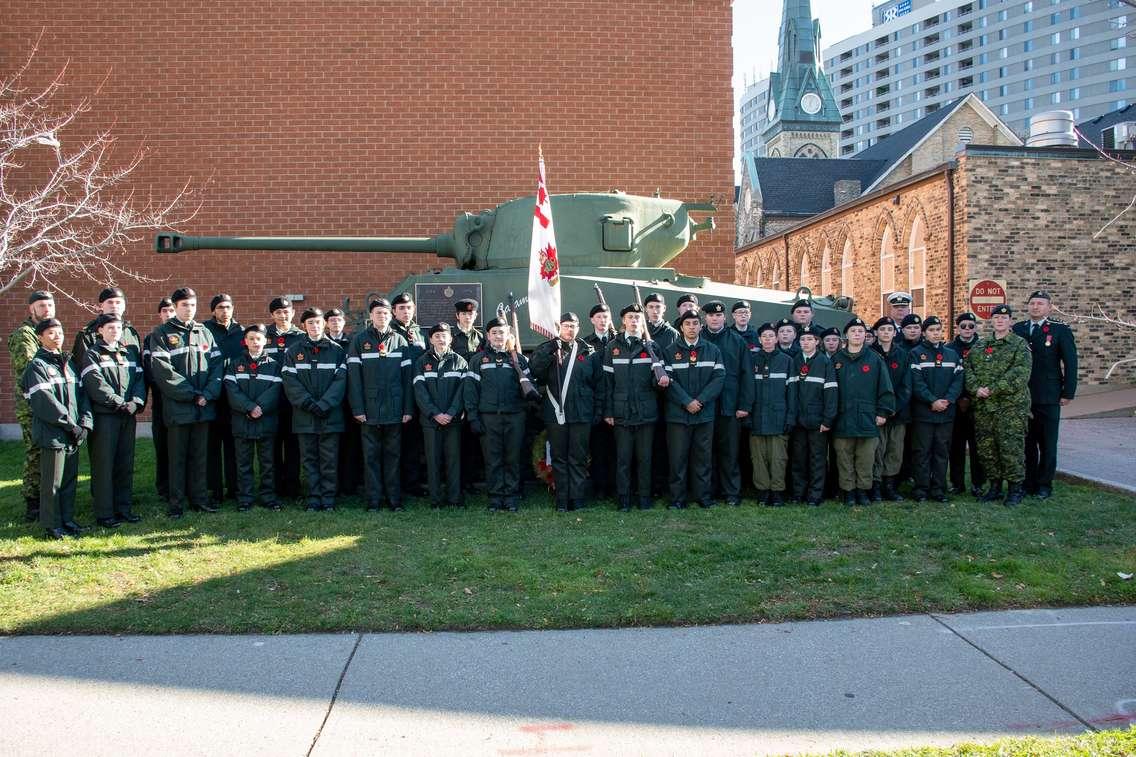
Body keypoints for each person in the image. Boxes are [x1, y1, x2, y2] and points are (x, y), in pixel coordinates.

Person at [145, 287, 223, 517]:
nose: (189, 309)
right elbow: (163, 372)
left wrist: (207, 393)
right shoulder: (162, 333)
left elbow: (217, 366)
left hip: (203, 405)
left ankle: (199, 499)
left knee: (199, 455)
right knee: (177, 457)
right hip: (179, 407)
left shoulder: (204, 332)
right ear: (176, 307)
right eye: (184, 305)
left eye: (192, 304)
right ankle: (176, 503)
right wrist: (191, 394)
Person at [20, 318, 93, 539]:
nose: (57, 336)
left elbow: (82, 396)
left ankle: (67, 520)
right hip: (54, 433)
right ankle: (52, 525)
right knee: (52, 482)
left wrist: (85, 423)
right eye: (50, 333)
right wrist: (70, 425)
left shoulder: (68, 363)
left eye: (59, 332)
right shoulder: (37, 366)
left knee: (69, 480)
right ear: (40, 337)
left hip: (73, 432)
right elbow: (45, 402)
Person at [529, 312, 600, 512]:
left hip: (581, 413)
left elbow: (599, 384)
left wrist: (597, 411)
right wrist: (551, 349)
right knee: (559, 458)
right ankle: (561, 500)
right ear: (558, 327)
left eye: (573, 326)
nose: (570, 329)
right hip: (555, 414)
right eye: (566, 325)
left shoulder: (588, 352)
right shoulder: (547, 349)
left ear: (578, 328)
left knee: (578, 458)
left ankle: (577, 499)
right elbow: (536, 372)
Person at [600, 303, 668, 511]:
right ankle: (623, 499)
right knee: (623, 459)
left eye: (637, 317)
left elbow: (658, 383)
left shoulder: (652, 347)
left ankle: (644, 499)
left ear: (642, 321)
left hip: (646, 412)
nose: (634, 320)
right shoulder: (613, 347)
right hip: (621, 413)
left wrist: (661, 380)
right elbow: (607, 383)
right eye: (630, 317)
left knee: (645, 459)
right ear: (623, 321)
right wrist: (609, 411)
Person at [347, 298, 413, 512]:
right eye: (378, 313)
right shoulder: (359, 341)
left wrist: (407, 409)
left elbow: (407, 379)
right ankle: (373, 501)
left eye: (385, 313)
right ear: (371, 316)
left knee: (393, 457)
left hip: (395, 410)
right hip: (370, 410)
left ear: (390, 315)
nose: (382, 317)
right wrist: (357, 409)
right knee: (371, 458)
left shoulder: (401, 342)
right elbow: (354, 379)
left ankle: (394, 501)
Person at [80, 313, 145, 527]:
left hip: (127, 415)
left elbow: (139, 380)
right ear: (100, 330)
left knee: (124, 463)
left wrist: (135, 402)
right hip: (105, 417)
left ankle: (123, 508)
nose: (114, 331)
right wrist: (118, 402)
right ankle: (105, 513)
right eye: (109, 328)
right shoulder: (92, 354)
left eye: (117, 328)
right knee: (104, 464)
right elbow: (95, 384)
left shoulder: (128, 354)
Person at [964, 304, 1032, 507]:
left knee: (1011, 449)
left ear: (1011, 321)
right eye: (996, 318)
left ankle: (1015, 488)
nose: (1000, 321)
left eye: (1004, 318)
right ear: (991, 321)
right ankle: (994, 486)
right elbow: (968, 369)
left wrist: (992, 389)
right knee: (987, 449)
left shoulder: (1020, 345)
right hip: (984, 408)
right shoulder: (980, 345)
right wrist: (976, 388)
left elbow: (1020, 374)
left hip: (1010, 408)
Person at [1013, 290, 1078, 500]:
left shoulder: (1060, 330)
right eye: (1032, 303)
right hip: (1024, 395)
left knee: (1048, 444)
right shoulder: (1019, 329)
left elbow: (1070, 362)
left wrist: (1068, 392)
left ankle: (1044, 485)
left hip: (1049, 396)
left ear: (1049, 307)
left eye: (1040, 304)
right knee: (1027, 443)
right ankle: (1028, 483)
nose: (1035, 307)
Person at [282, 307, 347, 512]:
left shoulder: (337, 351)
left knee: (329, 459)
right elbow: (290, 382)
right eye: (310, 323)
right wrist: (309, 404)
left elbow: (341, 381)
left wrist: (325, 404)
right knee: (309, 459)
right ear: (304, 326)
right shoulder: (293, 351)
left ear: (324, 324)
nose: (314, 326)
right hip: (305, 415)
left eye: (318, 322)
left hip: (330, 415)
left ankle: (328, 499)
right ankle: (313, 498)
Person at [465, 316, 532, 512]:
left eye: (501, 332)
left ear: (508, 335)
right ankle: (495, 498)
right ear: (488, 336)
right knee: (492, 459)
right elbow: (470, 392)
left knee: (512, 458)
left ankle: (511, 497)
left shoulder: (518, 359)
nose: (497, 336)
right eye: (493, 332)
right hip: (489, 417)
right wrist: (473, 417)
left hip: (515, 416)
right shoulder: (478, 360)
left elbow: (530, 389)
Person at [662, 310, 724, 509]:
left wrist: (700, 401)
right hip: (678, 416)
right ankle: (677, 500)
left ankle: (703, 498)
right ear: (681, 327)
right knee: (677, 460)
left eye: (695, 323)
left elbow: (719, 379)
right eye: (687, 323)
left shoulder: (712, 350)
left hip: (704, 415)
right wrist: (687, 401)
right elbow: (668, 382)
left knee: (703, 459)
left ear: (701, 326)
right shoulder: (670, 351)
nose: (691, 327)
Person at [831, 317, 896, 506]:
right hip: (843, 418)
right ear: (846, 335)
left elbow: (885, 387)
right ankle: (849, 491)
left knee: (866, 458)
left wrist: (883, 412)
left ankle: (863, 490)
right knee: (844, 457)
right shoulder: (836, 360)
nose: (857, 335)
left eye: (861, 332)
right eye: (853, 331)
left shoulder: (875, 359)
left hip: (868, 418)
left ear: (866, 336)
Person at [9, 290, 56, 522]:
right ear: (31, 309)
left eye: (49, 305)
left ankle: (48, 498)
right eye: (41, 306)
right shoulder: (25, 334)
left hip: (49, 400)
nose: (46, 309)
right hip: (31, 404)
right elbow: (30, 367)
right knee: (35, 451)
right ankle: (33, 503)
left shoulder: (50, 332)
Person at [225, 324, 282, 511]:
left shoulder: (274, 365)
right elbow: (232, 391)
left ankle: (268, 497)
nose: (255, 342)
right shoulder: (235, 364)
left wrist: (260, 407)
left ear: (265, 341)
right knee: (243, 463)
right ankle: (245, 499)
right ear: (245, 341)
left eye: (259, 338)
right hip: (243, 421)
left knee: (268, 463)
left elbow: (276, 390)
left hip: (266, 421)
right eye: (251, 339)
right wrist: (249, 407)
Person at [701, 300, 752, 507]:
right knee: (706, 452)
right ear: (706, 318)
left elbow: (747, 374)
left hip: (730, 405)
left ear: (725, 318)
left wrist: (744, 405)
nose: (715, 318)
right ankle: (709, 491)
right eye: (711, 315)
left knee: (730, 452)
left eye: (719, 315)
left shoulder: (736, 340)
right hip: (705, 406)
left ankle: (732, 492)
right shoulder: (699, 338)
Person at [909, 316, 964, 503]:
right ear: (924, 333)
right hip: (924, 413)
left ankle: (938, 489)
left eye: (938, 330)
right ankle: (921, 489)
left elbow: (958, 381)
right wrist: (932, 400)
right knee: (922, 452)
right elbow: (916, 382)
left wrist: (947, 400)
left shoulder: (952, 355)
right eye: (931, 330)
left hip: (946, 413)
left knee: (941, 451)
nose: (935, 333)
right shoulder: (916, 354)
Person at [413, 322, 468, 509]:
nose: (441, 339)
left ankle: (454, 499)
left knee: (454, 460)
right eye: (437, 336)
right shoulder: (421, 362)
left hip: (453, 421)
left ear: (450, 339)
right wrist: (435, 413)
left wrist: (452, 413)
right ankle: (435, 499)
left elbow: (463, 391)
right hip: (430, 421)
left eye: (444, 335)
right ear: (431, 339)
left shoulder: (460, 361)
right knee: (433, 460)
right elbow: (420, 392)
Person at [788, 324, 838, 507]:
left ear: (817, 342)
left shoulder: (824, 362)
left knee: (817, 459)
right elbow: (791, 392)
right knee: (798, 458)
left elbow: (831, 393)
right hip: (799, 420)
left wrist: (828, 419)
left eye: (810, 339)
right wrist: (791, 417)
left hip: (818, 421)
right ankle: (798, 493)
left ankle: (816, 494)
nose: (805, 342)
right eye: (802, 339)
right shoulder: (794, 361)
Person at [748, 321, 796, 506]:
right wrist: (748, 415)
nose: (768, 339)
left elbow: (792, 392)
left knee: (778, 458)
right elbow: (747, 390)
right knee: (758, 457)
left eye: (771, 336)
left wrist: (790, 417)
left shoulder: (787, 361)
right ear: (759, 339)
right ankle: (763, 491)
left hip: (779, 418)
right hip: (757, 417)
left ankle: (777, 492)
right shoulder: (752, 360)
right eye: (764, 336)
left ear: (776, 339)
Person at [203, 293, 242, 505]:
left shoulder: (241, 332)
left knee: (233, 445)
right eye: (219, 307)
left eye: (228, 307)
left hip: (234, 397)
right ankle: (214, 489)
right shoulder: (205, 331)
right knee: (212, 446)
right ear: (213, 311)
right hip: (213, 396)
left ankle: (235, 488)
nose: (224, 311)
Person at [265, 296, 305, 499]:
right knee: (271, 445)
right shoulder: (263, 335)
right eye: (278, 312)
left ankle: (292, 487)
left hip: (292, 401)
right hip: (269, 400)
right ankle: (274, 487)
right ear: (272, 315)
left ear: (293, 313)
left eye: (286, 311)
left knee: (293, 446)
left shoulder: (301, 337)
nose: (283, 315)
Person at [871, 317, 911, 502]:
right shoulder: (870, 354)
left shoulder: (902, 354)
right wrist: (881, 410)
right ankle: (876, 485)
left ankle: (890, 486)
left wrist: (893, 408)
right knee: (878, 450)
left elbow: (906, 385)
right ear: (876, 333)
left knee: (895, 450)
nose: (886, 332)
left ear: (895, 333)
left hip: (897, 413)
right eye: (882, 329)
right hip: (877, 413)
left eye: (889, 329)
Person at [392, 291, 427, 498]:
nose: (406, 311)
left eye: (409, 308)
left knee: (413, 442)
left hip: (416, 393)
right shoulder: (390, 332)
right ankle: (396, 483)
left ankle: (412, 483)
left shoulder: (420, 332)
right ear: (394, 311)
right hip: (396, 393)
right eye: (401, 308)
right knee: (396, 443)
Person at [142, 297, 177, 502]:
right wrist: (166, 388)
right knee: (162, 445)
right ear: (159, 314)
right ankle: (164, 487)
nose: (168, 314)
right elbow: (151, 369)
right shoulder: (152, 338)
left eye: (171, 310)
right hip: (162, 400)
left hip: (181, 401)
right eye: (164, 310)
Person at [948, 312, 986, 497]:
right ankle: (957, 483)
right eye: (963, 326)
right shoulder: (949, 349)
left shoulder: (985, 347)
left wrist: (972, 396)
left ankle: (978, 483)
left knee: (978, 447)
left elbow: (987, 374)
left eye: (971, 326)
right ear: (957, 328)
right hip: (955, 404)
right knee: (956, 446)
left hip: (978, 403)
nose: (967, 330)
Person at [326, 307, 362, 498]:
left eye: (338, 320)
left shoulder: (352, 342)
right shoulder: (322, 344)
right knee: (332, 446)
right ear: (326, 323)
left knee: (351, 444)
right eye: (331, 320)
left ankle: (350, 484)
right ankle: (334, 484)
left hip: (348, 400)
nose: (335, 323)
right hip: (330, 402)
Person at [451, 298, 485, 494]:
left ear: (475, 315)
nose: (467, 317)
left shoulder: (481, 338)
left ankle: (471, 480)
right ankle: (459, 481)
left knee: (473, 439)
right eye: (464, 314)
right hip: (455, 392)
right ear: (457, 316)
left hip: (475, 394)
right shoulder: (451, 337)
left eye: (471, 314)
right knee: (457, 441)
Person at [584, 302, 617, 499]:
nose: (602, 320)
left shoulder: (618, 341)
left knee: (616, 450)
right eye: (598, 317)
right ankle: (599, 488)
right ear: (592, 320)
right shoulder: (586, 344)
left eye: (606, 317)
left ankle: (614, 487)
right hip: (595, 403)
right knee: (597, 449)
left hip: (616, 402)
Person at [72, 286, 143, 369]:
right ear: (101, 306)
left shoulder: (130, 333)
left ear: (124, 306)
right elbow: (83, 367)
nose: (114, 306)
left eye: (118, 302)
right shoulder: (88, 334)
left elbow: (138, 364)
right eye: (110, 302)